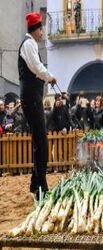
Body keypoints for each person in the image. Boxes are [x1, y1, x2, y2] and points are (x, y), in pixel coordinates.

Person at [18, 12, 57, 200]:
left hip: (33, 99)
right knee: (41, 142)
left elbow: (37, 69)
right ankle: (40, 187)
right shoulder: (28, 45)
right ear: (35, 30)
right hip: (31, 99)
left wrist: (48, 78)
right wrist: (50, 77)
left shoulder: (31, 45)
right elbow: (37, 68)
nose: (42, 33)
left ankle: (36, 183)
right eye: (41, 29)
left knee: (39, 141)